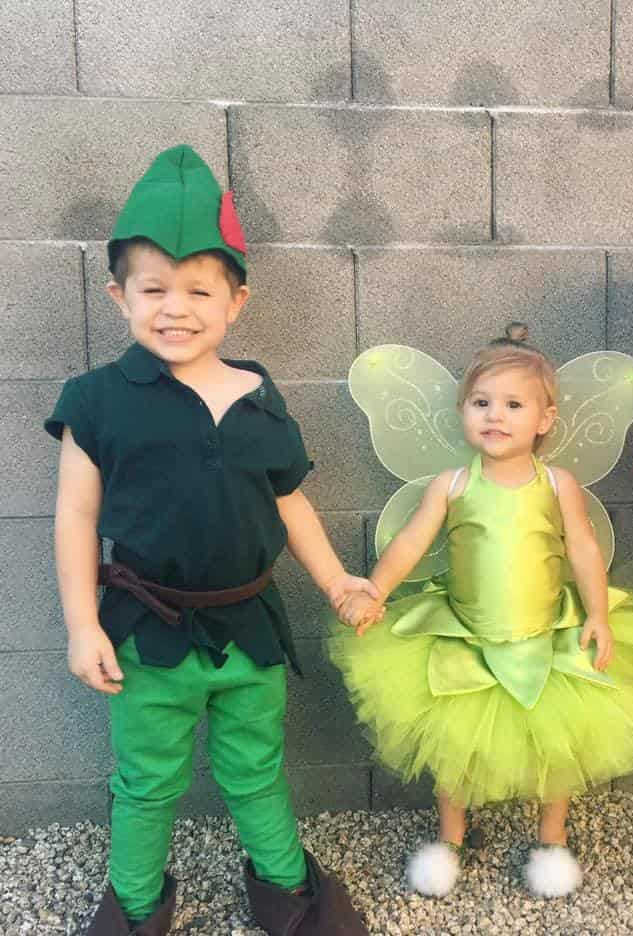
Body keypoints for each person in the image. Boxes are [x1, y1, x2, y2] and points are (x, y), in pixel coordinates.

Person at [45, 145, 373, 936]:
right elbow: (75, 517)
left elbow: (289, 501)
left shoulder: (259, 395)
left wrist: (337, 581)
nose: (176, 308)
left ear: (236, 301)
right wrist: (82, 625)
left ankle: (289, 895)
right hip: (145, 635)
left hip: (249, 633)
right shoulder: (96, 400)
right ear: (119, 296)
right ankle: (134, 910)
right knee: (147, 781)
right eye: (154, 288)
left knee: (256, 771)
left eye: (199, 289)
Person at [331, 326, 633, 899]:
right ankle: (451, 837)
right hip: (465, 636)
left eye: (513, 405)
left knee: (556, 745)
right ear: (462, 411)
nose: (495, 416)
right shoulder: (451, 485)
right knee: (453, 744)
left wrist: (598, 615)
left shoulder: (558, 483)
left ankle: (552, 837)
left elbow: (583, 549)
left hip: (545, 635)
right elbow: (411, 543)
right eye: (481, 403)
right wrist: (374, 589)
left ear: (545, 419)